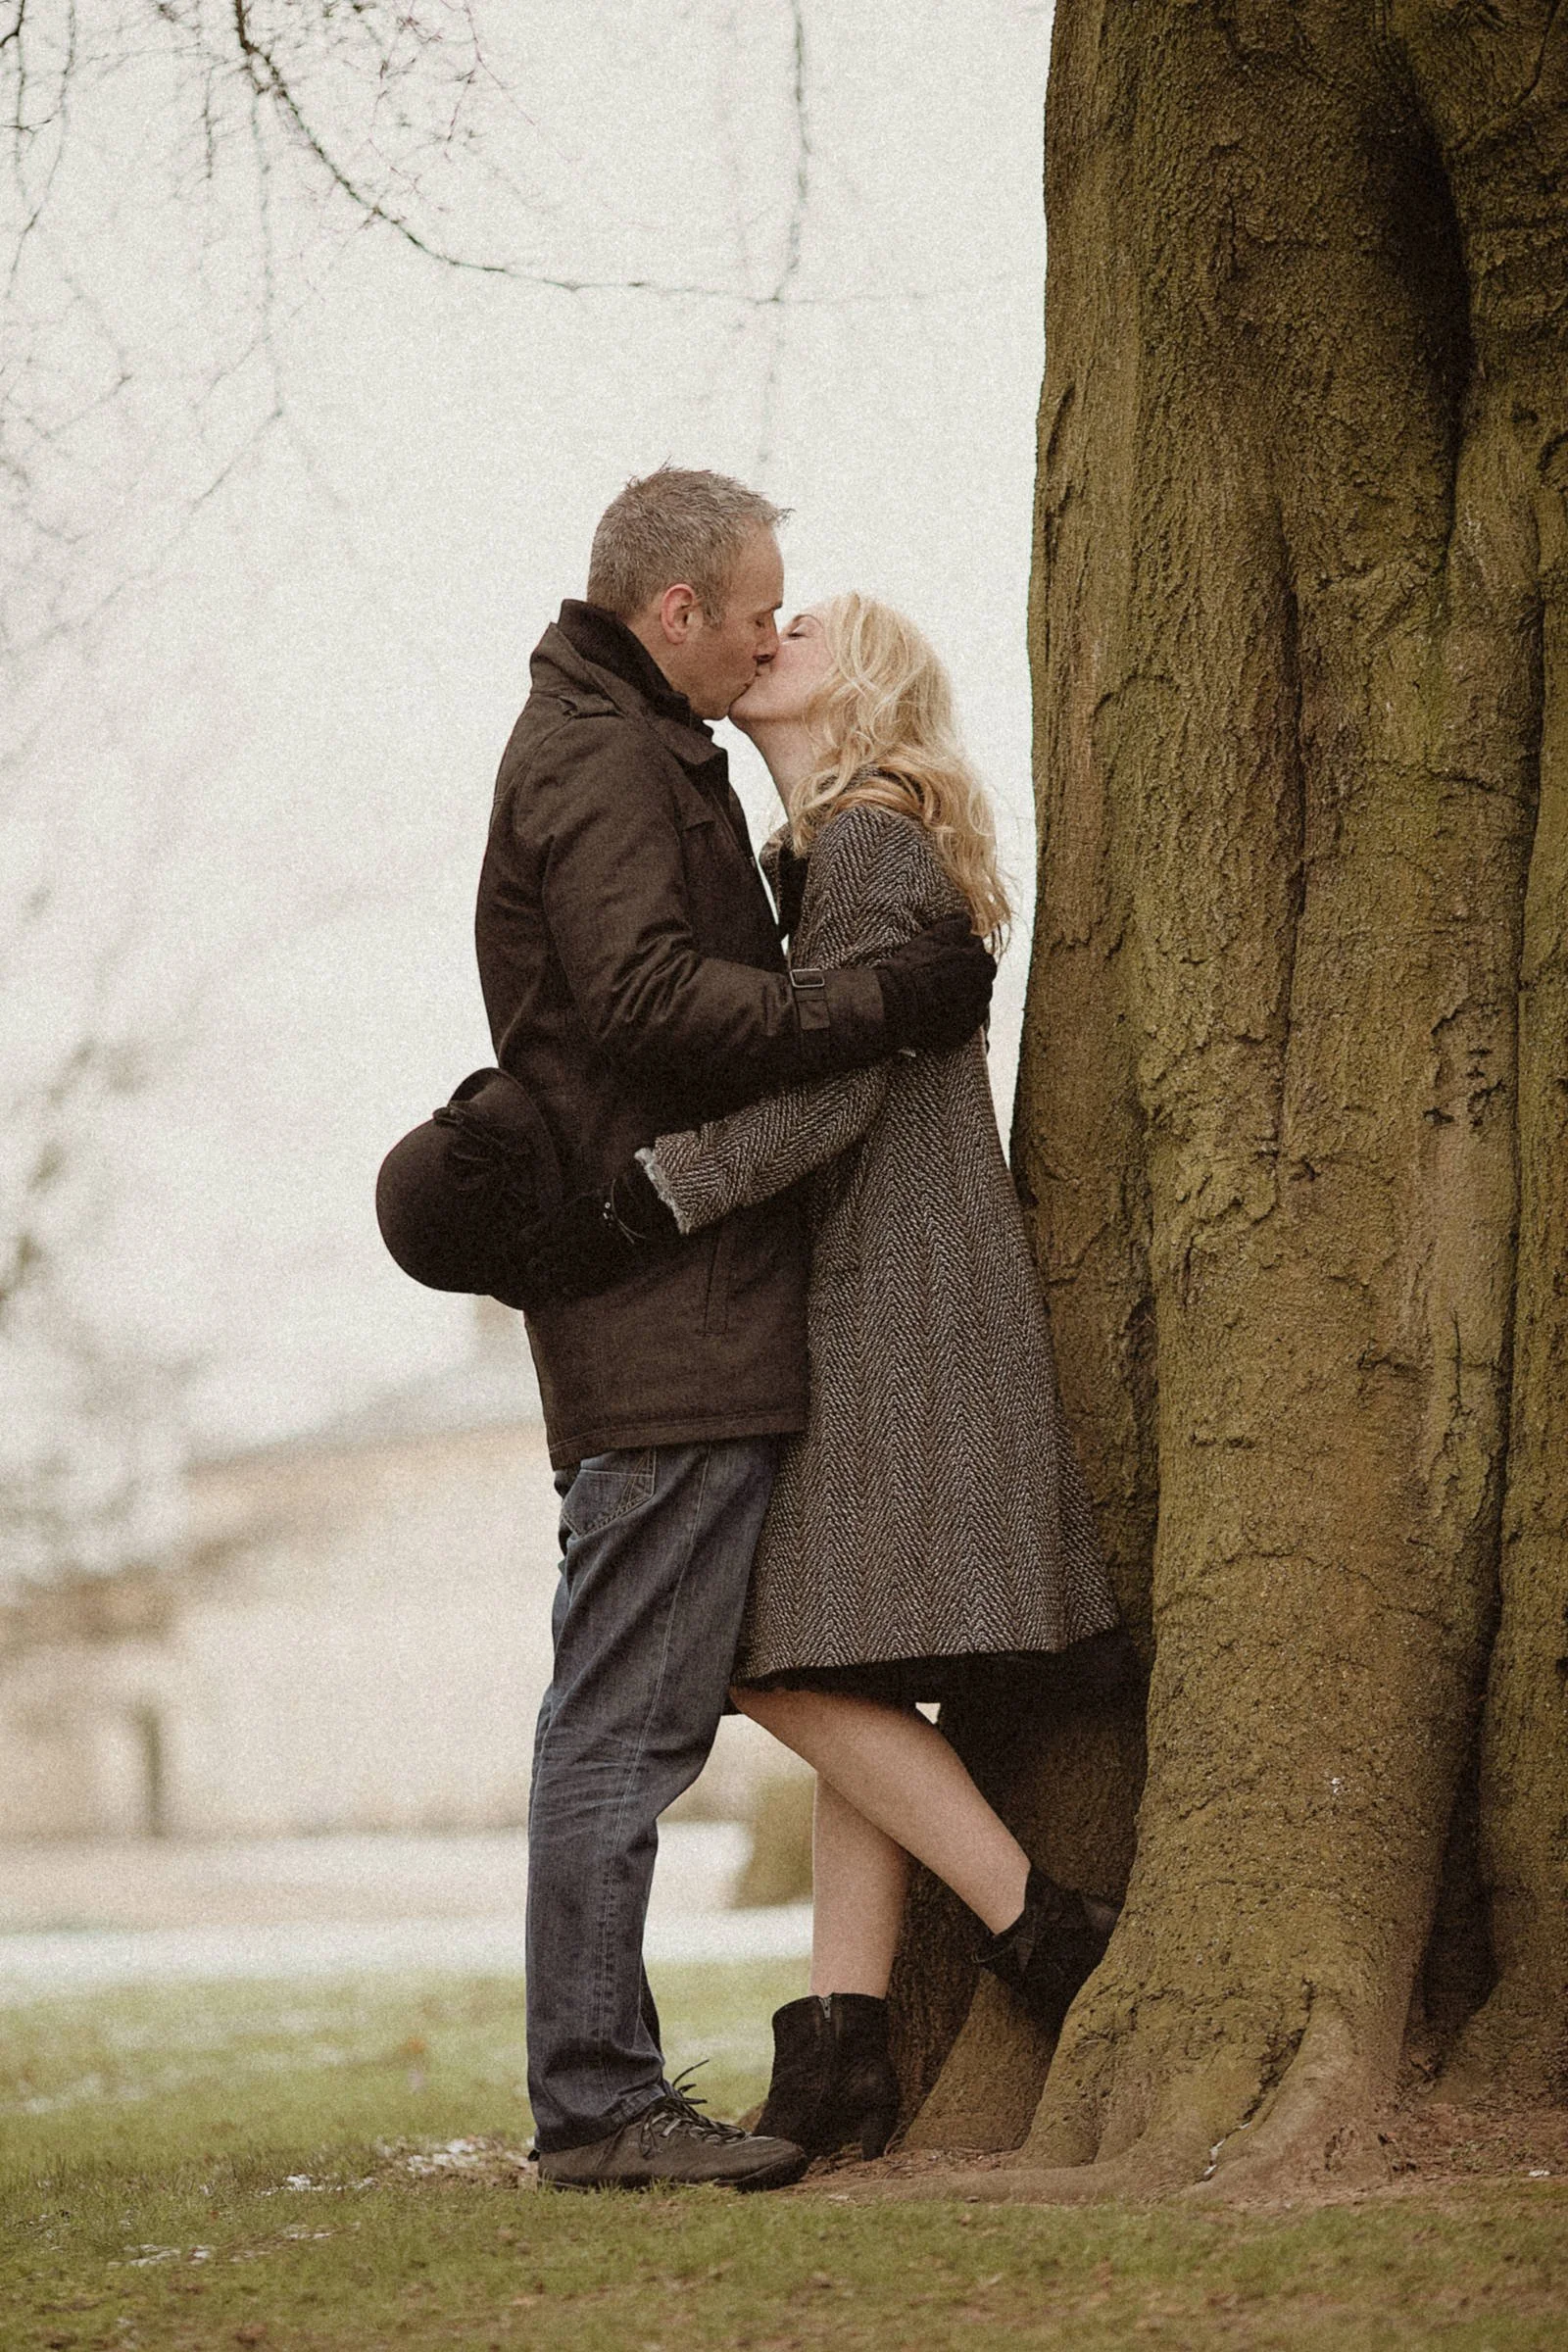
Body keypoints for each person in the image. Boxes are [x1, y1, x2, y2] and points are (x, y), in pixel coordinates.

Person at [473, 471, 997, 2190]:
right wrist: (868, 1005)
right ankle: (602, 2106)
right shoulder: (616, 757)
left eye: (802, 612)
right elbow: (637, 1005)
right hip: (666, 1317)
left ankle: (761, 2055)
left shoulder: (647, 754)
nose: (777, 628)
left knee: (663, 1706)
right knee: (632, 1723)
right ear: (676, 612)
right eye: (757, 604)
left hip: (700, 1314)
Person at [641, 592, 1122, 2163]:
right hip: (898, 1303)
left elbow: (827, 1109)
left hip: (891, 1311)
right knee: (842, 1665)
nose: (771, 633)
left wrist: (644, 1196)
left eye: (810, 629)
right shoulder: (828, 853)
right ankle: (842, 2047)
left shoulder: (863, 841)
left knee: (749, 1649)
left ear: (872, 691)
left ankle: (1038, 1928)